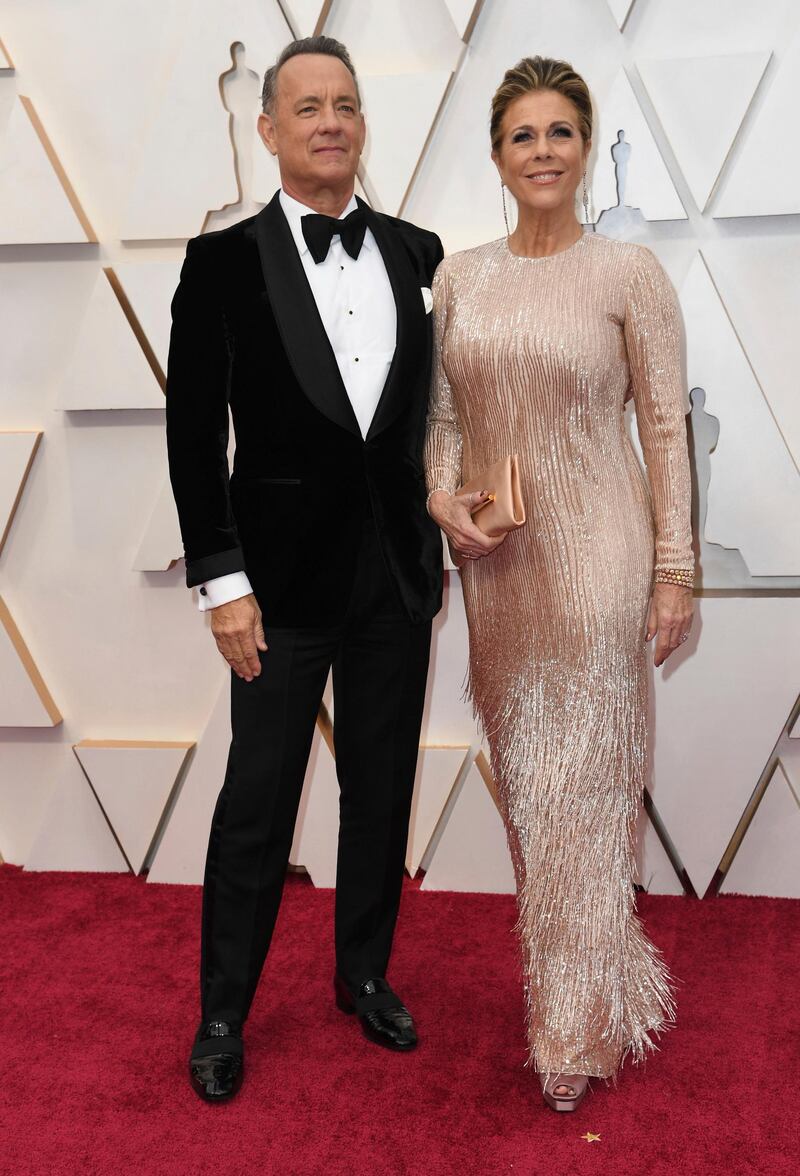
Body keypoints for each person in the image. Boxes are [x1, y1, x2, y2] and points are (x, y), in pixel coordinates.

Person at [166, 36, 444, 1102]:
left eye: (345, 103)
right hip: (275, 592)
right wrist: (222, 584)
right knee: (257, 803)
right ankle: (224, 1009)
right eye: (306, 106)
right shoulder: (221, 262)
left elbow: (427, 424)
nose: (329, 121)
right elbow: (195, 438)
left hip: (394, 580)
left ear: (361, 123)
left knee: (380, 792)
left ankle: (363, 973)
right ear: (269, 130)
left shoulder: (418, 254)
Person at [424, 56, 694, 1112]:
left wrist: (671, 572)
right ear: (495, 156)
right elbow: (442, 423)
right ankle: (599, 971)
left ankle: (570, 1027)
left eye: (559, 133)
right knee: (534, 792)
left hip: (595, 555)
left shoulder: (627, 276)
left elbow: (663, 432)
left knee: (583, 787)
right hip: (497, 563)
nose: (541, 151)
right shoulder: (459, 278)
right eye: (521, 135)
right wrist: (441, 501)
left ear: (585, 149)